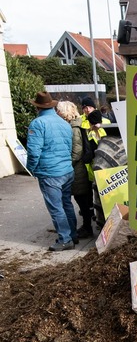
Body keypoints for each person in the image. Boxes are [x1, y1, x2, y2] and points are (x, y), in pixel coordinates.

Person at [26, 91, 76, 251]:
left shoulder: (37, 124)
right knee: (66, 204)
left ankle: (65, 239)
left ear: (38, 107)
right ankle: (73, 235)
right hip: (67, 170)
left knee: (56, 208)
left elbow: (34, 151)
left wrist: (32, 169)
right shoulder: (64, 123)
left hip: (50, 172)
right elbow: (69, 147)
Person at [56, 100, 94, 238]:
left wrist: (66, 163)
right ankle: (86, 226)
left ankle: (87, 228)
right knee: (82, 200)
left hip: (78, 170)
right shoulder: (74, 125)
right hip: (78, 168)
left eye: (59, 110)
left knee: (82, 200)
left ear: (65, 112)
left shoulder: (74, 127)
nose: (57, 113)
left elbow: (77, 151)